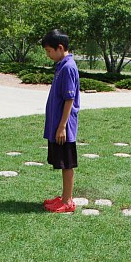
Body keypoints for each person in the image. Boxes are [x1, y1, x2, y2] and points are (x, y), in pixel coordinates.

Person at [41, 29, 81, 213]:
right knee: (62, 162)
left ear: (60, 48)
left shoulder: (68, 67)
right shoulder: (61, 65)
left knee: (67, 163)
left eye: (49, 51)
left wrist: (62, 126)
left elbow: (69, 99)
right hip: (58, 125)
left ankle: (68, 201)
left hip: (64, 127)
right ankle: (64, 196)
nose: (48, 55)